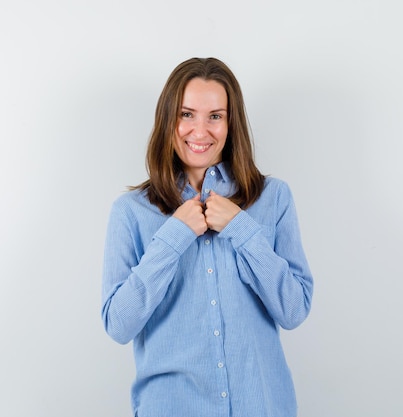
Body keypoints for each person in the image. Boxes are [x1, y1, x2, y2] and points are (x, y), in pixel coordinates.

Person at [101, 57, 313, 417]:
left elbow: (293, 310)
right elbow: (118, 325)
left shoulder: (273, 197)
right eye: (187, 114)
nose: (201, 131)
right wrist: (173, 238)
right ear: (168, 120)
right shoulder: (130, 212)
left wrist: (242, 230)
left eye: (215, 115)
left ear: (231, 123)